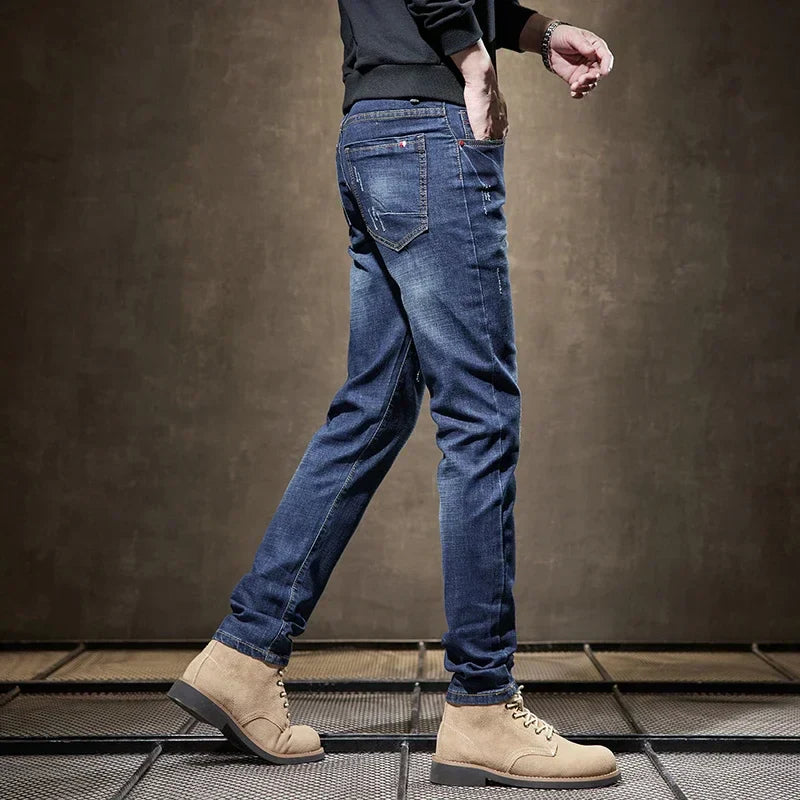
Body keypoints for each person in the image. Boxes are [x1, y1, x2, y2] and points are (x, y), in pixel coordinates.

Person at [168, 0, 618, 789]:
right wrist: (472, 59)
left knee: (373, 407)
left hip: (374, 130)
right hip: (427, 135)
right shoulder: (452, 76)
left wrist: (536, 34)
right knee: (479, 417)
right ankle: (482, 704)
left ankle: (241, 657)